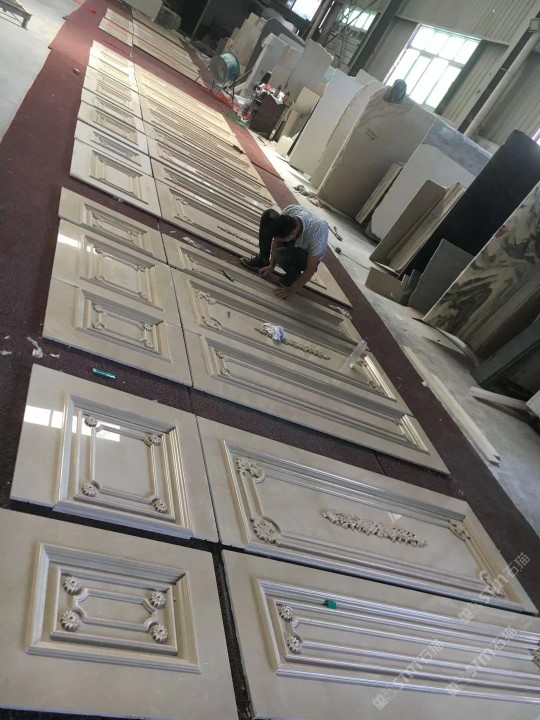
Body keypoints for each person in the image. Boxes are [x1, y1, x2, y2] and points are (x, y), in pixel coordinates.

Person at [240, 205, 328, 299]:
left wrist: (291, 290)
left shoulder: (317, 233)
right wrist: (271, 265)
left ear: (292, 234)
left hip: (305, 255)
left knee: (280, 254)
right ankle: (263, 260)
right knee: (268, 215)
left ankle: (293, 274)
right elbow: (277, 240)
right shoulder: (290, 211)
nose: (276, 240)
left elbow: (310, 269)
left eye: (282, 239)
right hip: (293, 241)